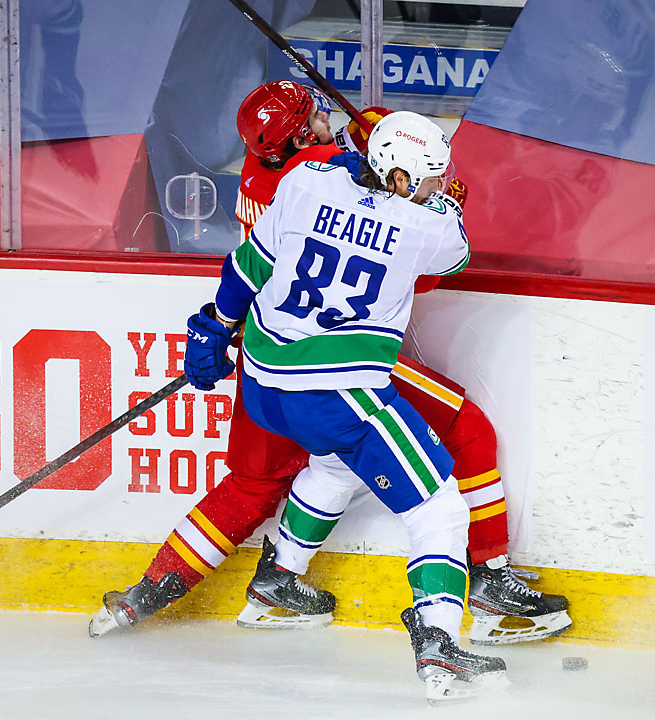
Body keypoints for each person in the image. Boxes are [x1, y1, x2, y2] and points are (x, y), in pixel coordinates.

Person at [90, 81, 569, 646]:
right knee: (465, 431)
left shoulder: (285, 174)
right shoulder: (336, 173)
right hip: (332, 361)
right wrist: (392, 151)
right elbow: (433, 260)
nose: (324, 120)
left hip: (264, 356)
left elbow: (259, 254)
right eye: (315, 117)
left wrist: (214, 326)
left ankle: (186, 588)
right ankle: (484, 581)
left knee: (260, 481)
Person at [184, 110, 511, 701]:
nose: (439, 184)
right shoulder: (425, 226)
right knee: (439, 509)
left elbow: (247, 268)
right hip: (336, 391)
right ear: (407, 181)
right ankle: (439, 647)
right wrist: (446, 204)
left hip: (263, 386)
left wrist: (214, 324)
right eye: (433, 177)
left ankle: (277, 583)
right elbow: (453, 254)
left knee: (333, 465)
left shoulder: (307, 180)